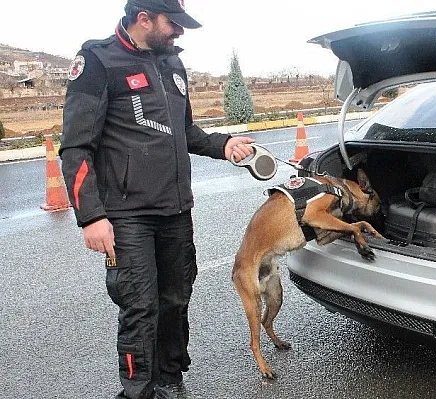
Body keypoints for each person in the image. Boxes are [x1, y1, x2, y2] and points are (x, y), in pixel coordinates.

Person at [59, 1, 255, 398]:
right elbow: (76, 149)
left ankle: (170, 380)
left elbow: (185, 132)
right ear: (143, 17)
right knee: (140, 307)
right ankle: (138, 391)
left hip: (176, 210)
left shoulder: (171, 64)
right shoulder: (98, 61)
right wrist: (91, 216)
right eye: (173, 23)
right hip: (127, 216)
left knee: (176, 300)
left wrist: (224, 144)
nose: (179, 32)